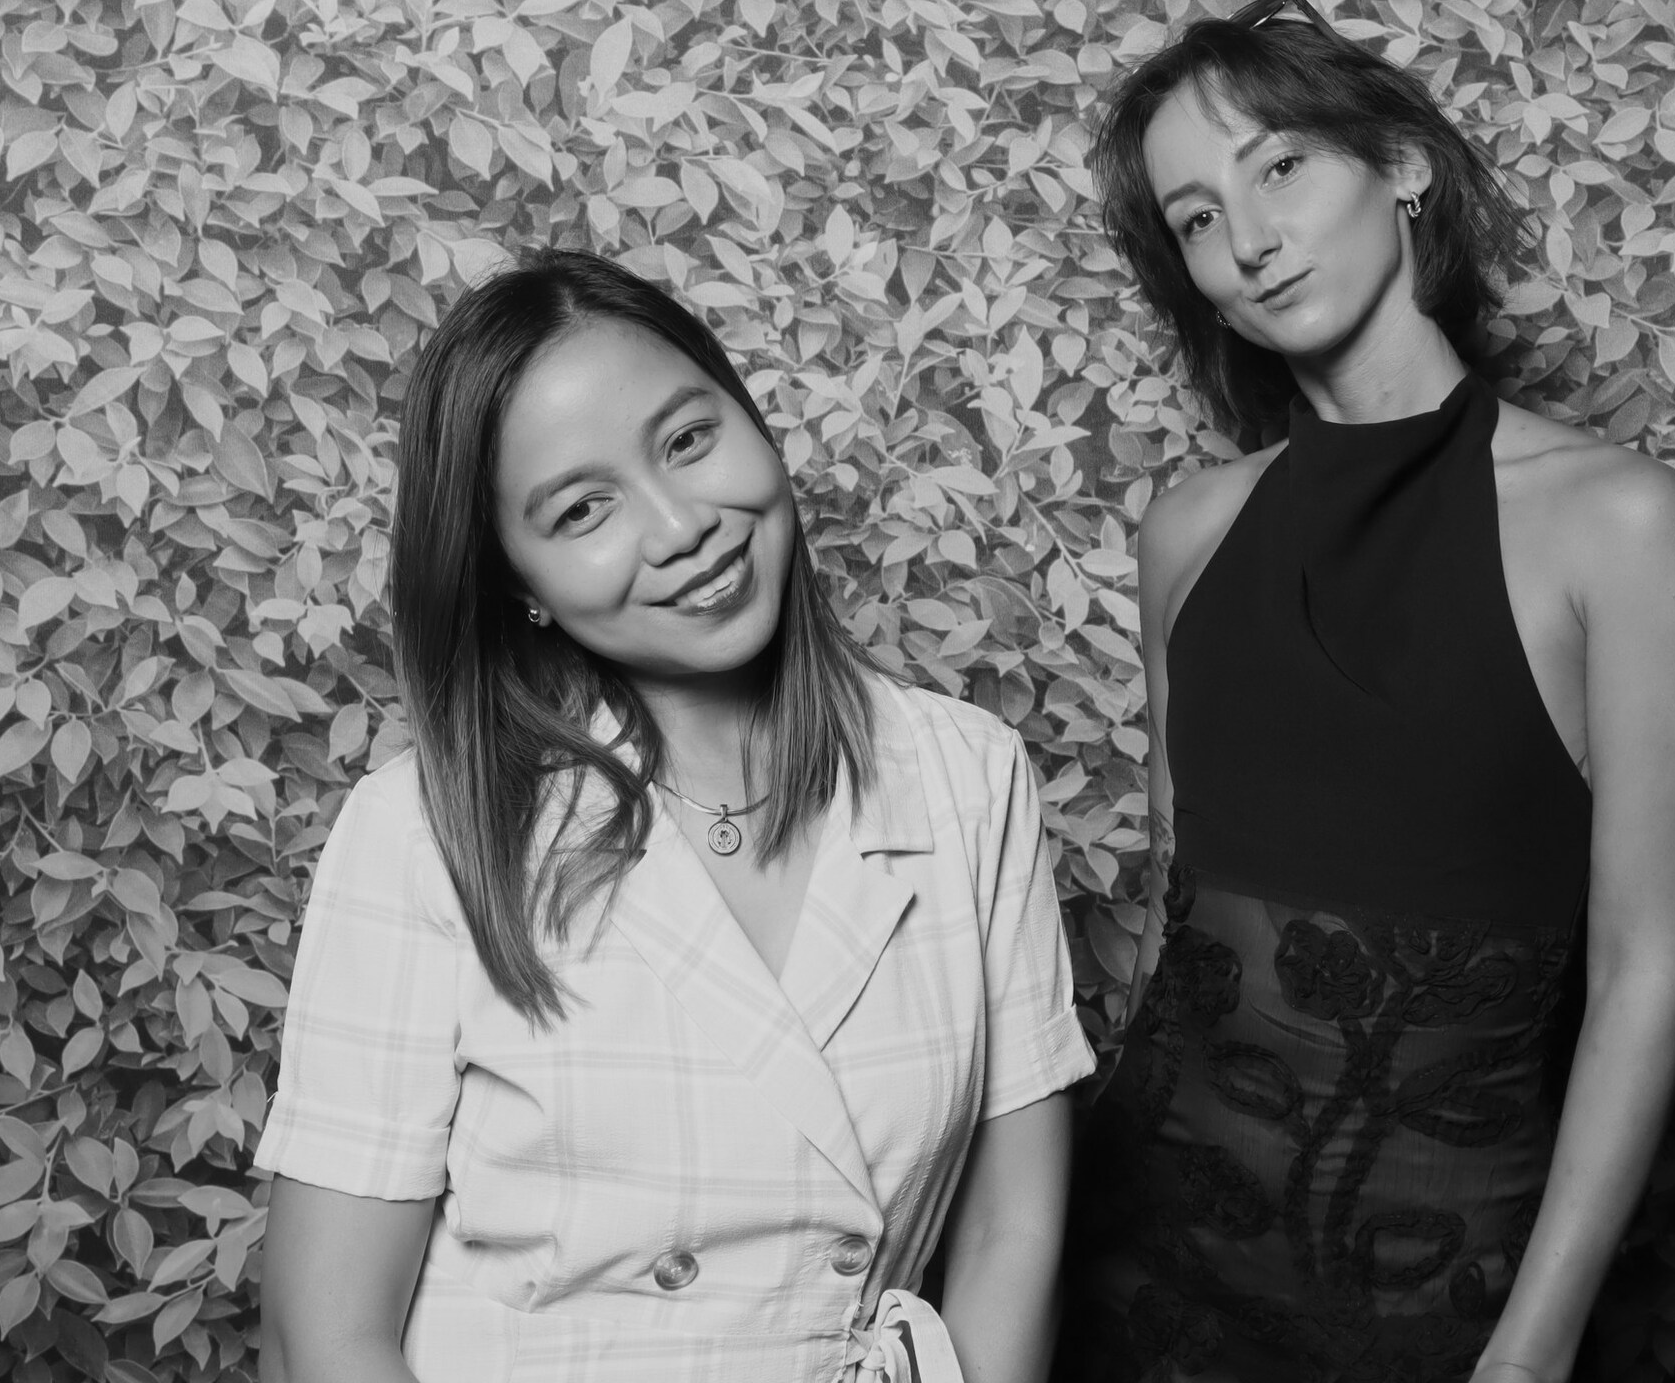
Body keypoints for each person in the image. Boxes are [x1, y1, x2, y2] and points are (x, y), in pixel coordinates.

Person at [1057, 0, 1675, 1382]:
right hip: (1142, 1265)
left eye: (1280, 165)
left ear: (1404, 167)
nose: (1249, 238)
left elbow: (1646, 976)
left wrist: (1532, 1352)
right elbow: (1178, 914)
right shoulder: (1187, 533)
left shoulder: (1619, 525)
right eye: (1196, 219)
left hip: (1437, 1286)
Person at [256, 250, 1093, 1383]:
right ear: (519, 584)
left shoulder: (966, 776)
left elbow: (1011, 1237)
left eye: (689, 440)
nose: (679, 525)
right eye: (582, 509)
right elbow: (325, 1337)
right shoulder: (423, 830)